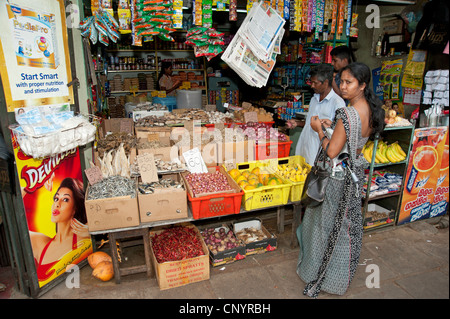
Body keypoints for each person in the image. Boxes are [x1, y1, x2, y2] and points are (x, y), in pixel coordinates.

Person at [296, 62, 385, 298]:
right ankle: (338, 277)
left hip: (336, 179)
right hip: (355, 176)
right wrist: (333, 126)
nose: (343, 87)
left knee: (322, 228)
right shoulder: (370, 109)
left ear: (362, 85)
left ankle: (317, 273)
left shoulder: (347, 113)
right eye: (341, 81)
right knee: (344, 229)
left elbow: (332, 151)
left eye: (349, 82)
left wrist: (319, 130)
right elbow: (353, 139)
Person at [29, 177, 90, 282]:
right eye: (56, 199)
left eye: (65, 200)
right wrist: (37, 182)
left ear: (75, 208)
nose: (57, 204)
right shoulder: (40, 242)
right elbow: (13, 208)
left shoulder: (83, 236)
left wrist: (91, 231)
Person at [286, 63, 345, 166]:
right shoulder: (314, 99)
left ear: (326, 82)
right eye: (311, 82)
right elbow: (311, 123)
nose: (312, 86)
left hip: (319, 156)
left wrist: (324, 127)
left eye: (315, 83)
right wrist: (297, 123)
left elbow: (339, 132)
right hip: (304, 148)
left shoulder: (337, 103)